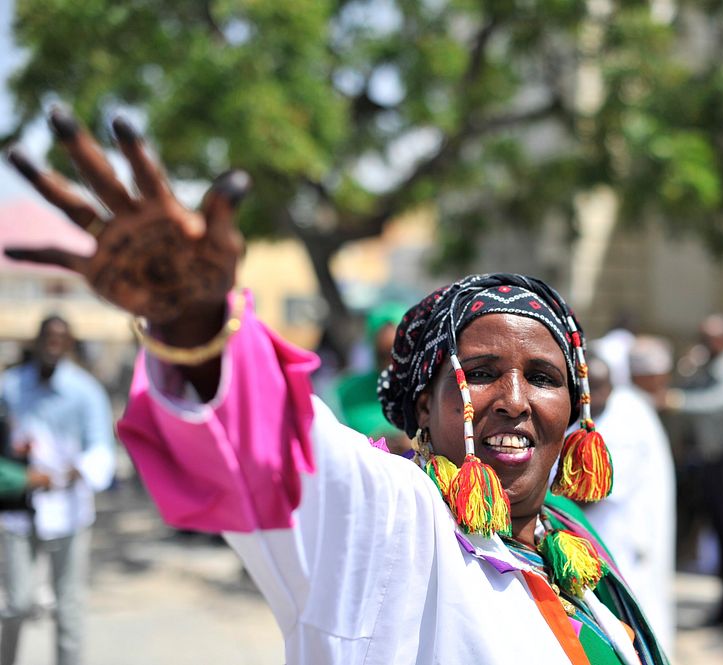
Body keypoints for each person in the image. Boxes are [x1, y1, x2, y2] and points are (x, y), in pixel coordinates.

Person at [4, 109, 667, 665]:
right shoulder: (392, 523)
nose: (515, 399)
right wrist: (195, 323)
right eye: (482, 373)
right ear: (423, 409)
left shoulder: (573, 540)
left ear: (575, 412)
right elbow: (285, 453)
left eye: (544, 377)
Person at [0, 316, 116, 665]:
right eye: (47, 337)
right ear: (36, 341)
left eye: (60, 338)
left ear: (69, 344)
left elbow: (101, 448)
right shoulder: (10, 386)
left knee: (69, 604)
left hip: (68, 509)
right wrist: (21, 474)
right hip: (18, 508)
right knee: (17, 601)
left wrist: (76, 470)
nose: (53, 343)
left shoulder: (85, 391)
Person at [661, 314, 723, 630]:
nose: (703, 342)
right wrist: (687, 368)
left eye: (708, 337)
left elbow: (721, 401)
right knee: (721, 535)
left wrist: (677, 401)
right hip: (713, 462)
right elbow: (683, 386)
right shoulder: (706, 368)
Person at [583, 348, 675, 656]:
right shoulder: (604, 412)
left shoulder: (625, 418)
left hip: (624, 545)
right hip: (607, 541)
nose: (590, 397)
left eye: (597, 388)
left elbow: (591, 493)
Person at [323, 302, 409, 454]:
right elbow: (330, 442)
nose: (391, 362)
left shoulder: (424, 390)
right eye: (384, 353)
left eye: (397, 352)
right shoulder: (346, 391)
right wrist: (374, 444)